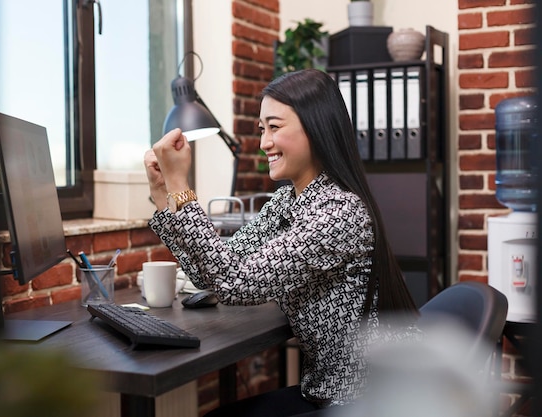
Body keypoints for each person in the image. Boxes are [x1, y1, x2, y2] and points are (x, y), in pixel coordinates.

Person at [144, 68, 419, 416]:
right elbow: (214, 272)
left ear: (316, 128)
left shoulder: (339, 212)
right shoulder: (287, 201)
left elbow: (232, 283)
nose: (263, 143)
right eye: (262, 129)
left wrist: (182, 186)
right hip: (325, 392)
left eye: (274, 127)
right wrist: (162, 194)